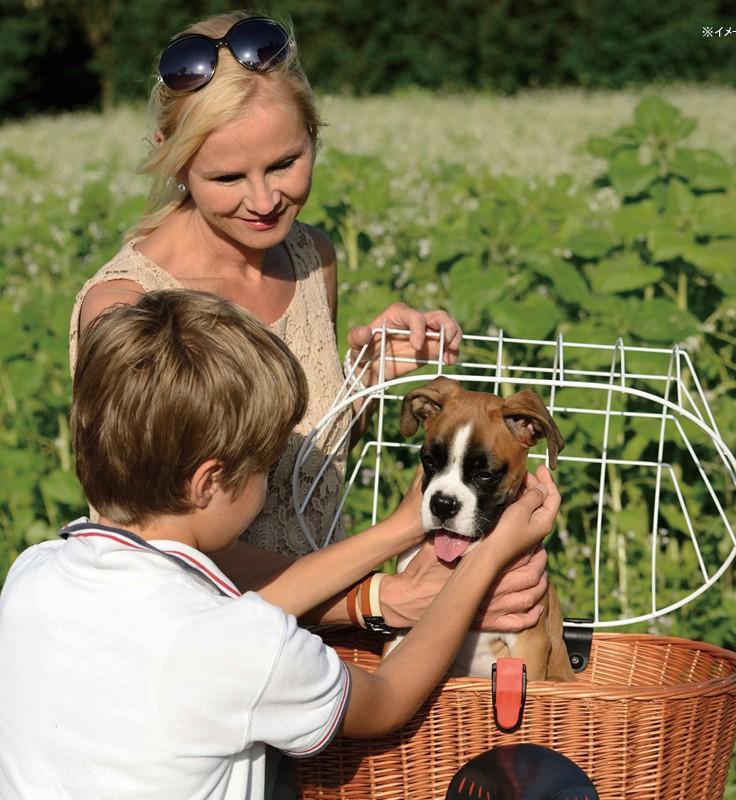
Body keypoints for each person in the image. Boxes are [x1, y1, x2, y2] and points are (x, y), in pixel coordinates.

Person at [68, 11, 548, 637]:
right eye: (227, 177)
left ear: (315, 137)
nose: (265, 201)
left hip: (319, 637)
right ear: (171, 159)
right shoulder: (128, 310)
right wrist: (374, 600)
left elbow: (305, 465)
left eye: (286, 162)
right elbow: (154, 544)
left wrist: (368, 381)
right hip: (203, 646)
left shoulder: (308, 257)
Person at [0, 290, 561, 800]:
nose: (270, 481)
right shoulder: (252, 647)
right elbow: (388, 697)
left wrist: (399, 529)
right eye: (267, 466)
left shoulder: (34, 573)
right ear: (208, 483)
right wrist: (489, 553)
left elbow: (246, 597)